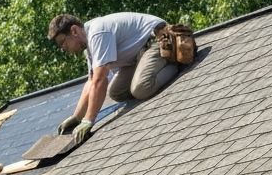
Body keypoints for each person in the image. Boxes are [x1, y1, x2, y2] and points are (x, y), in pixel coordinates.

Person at [47, 11, 183, 142]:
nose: (63, 48)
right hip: (138, 55)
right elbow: (92, 81)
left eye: (62, 42)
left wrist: (88, 120)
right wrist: (77, 117)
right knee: (116, 92)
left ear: (74, 31)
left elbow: (100, 80)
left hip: (157, 40)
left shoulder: (98, 33)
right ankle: (155, 68)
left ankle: (175, 63)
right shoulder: (89, 45)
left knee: (141, 88)